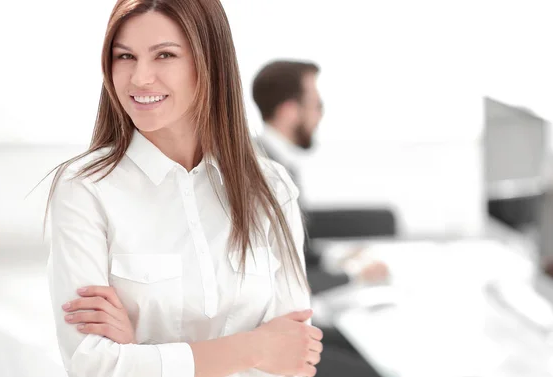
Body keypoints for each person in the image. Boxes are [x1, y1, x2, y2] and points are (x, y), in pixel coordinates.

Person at [45, 2, 323, 377]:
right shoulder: (85, 189)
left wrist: (142, 354)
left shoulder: (271, 187)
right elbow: (94, 366)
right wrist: (252, 348)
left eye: (164, 55)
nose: (140, 77)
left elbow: (294, 358)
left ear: (210, 62)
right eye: (125, 56)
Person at [252, 60, 387, 377]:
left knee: (374, 349)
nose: (320, 115)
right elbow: (274, 282)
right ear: (289, 111)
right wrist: (354, 274)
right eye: (317, 104)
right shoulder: (262, 174)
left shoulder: (274, 160)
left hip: (287, 322)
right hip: (272, 338)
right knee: (377, 366)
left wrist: (340, 257)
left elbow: (298, 250)